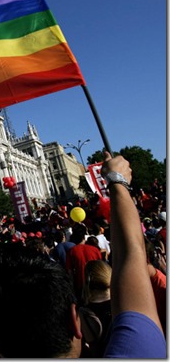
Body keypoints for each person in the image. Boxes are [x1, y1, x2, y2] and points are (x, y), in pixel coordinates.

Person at [100, 151, 166, 357]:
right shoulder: (132, 350)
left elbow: (130, 255)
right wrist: (116, 182)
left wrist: (116, 185)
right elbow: (132, 254)